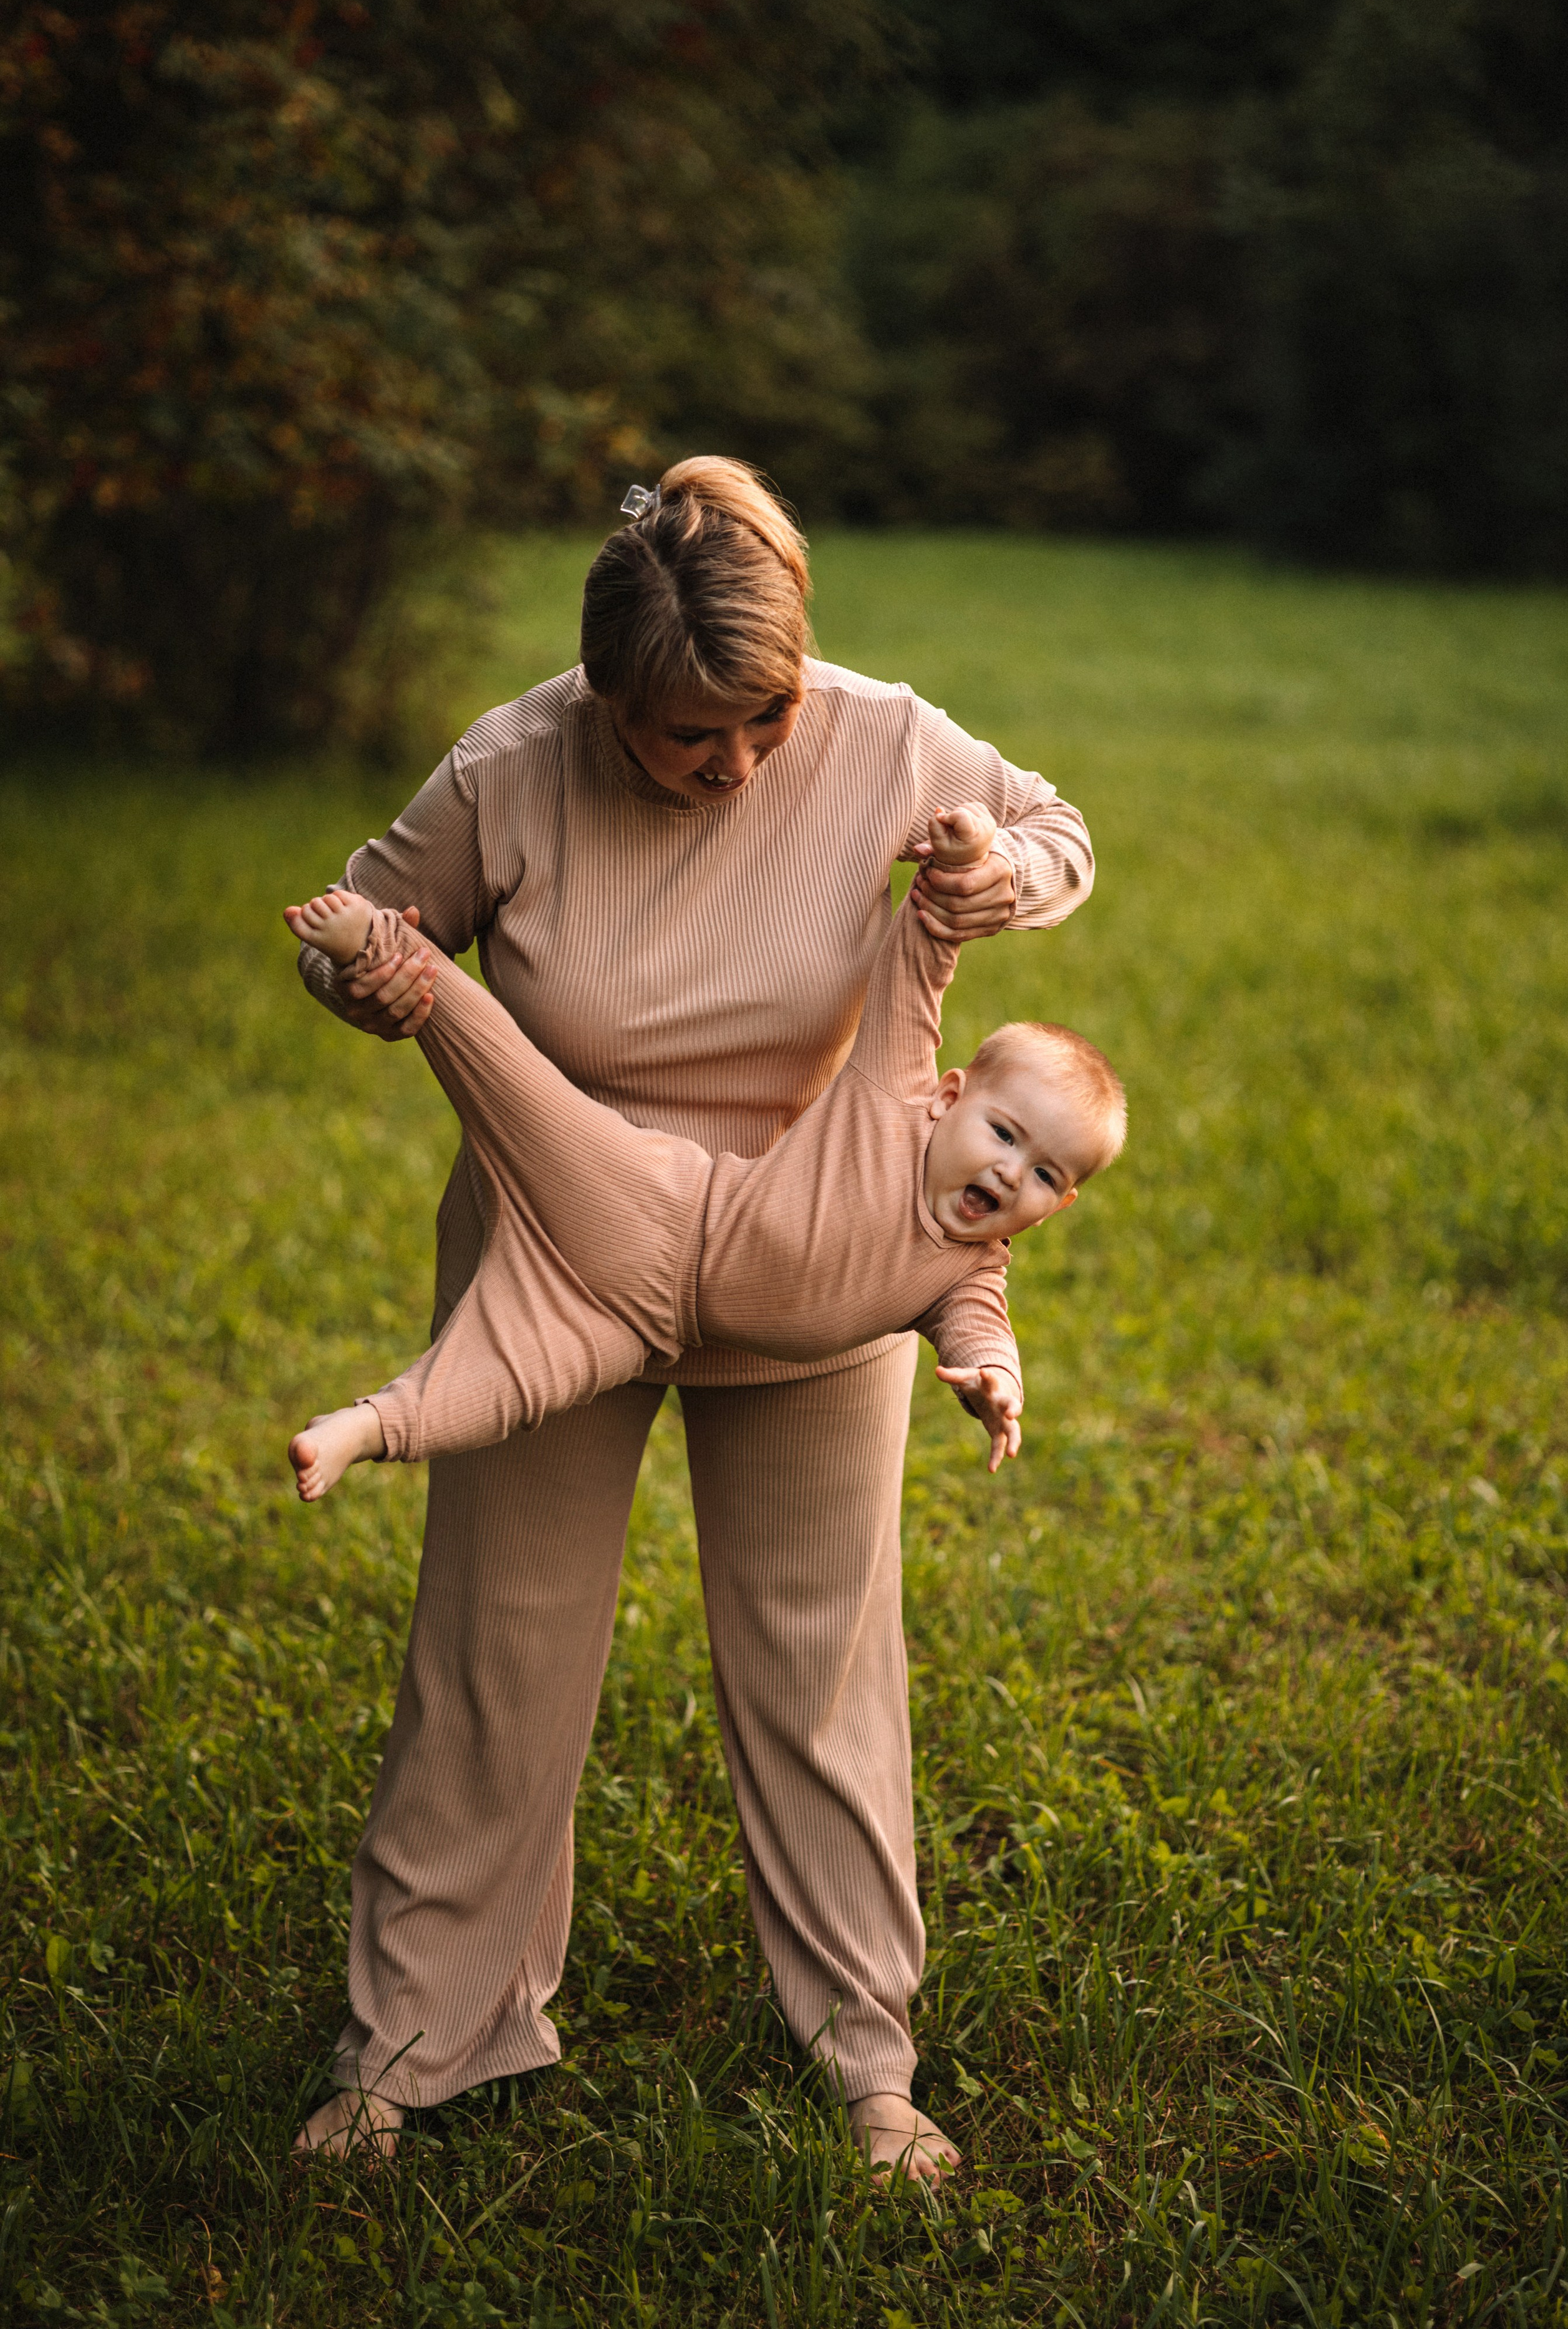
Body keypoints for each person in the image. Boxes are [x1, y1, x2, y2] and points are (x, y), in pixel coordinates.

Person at [292, 456, 1097, 2179]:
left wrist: (997, 870)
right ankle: (419, 2043)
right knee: (499, 1651)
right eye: (687, 740)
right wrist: (363, 976)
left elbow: (1058, 831)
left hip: (819, 1259)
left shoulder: (881, 737)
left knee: (820, 1666)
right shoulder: (509, 768)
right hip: (558, 1255)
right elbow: (365, 917)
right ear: (606, 704)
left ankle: (866, 2060)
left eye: (765, 722)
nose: (735, 764)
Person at [283, 805, 1123, 1496]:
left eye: (1046, 1173)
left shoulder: (971, 1272)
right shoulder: (893, 1103)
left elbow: (982, 1337)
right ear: (948, 1098)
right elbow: (918, 965)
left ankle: (369, 1427)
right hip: (656, 1208)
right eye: (1004, 1134)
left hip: (636, 1320)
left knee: (514, 1379)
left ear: (1062, 1205)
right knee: (514, 1089)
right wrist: (964, 860)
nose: (1012, 1170)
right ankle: (381, 946)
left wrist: (995, 1384)